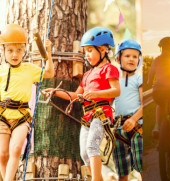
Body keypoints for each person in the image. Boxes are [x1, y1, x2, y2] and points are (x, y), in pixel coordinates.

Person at [44, 27, 120, 181]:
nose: (87, 55)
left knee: (92, 146)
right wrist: (55, 92)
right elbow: (76, 95)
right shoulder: (87, 74)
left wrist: (96, 94)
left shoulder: (109, 69)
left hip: (102, 113)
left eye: (90, 50)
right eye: (85, 51)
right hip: (88, 116)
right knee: (84, 153)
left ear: (103, 50)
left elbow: (116, 90)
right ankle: (98, 178)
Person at [0, 24, 54, 180]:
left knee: (16, 148)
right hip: (2, 116)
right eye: (10, 50)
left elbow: (49, 72)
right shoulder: (1, 71)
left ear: (24, 51)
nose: (15, 54)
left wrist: (48, 53)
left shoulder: (29, 69)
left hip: (21, 117)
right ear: (3, 51)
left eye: (19, 50)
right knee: (2, 154)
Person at [112, 39, 143, 180]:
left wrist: (134, 119)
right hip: (118, 129)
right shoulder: (114, 82)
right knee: (122, 173)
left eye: (135, 56)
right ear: (118, 58)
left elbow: (144, 104)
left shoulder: (138, 79)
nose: (132, 59)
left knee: (142, 167)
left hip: (137, 126)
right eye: (127, 56)